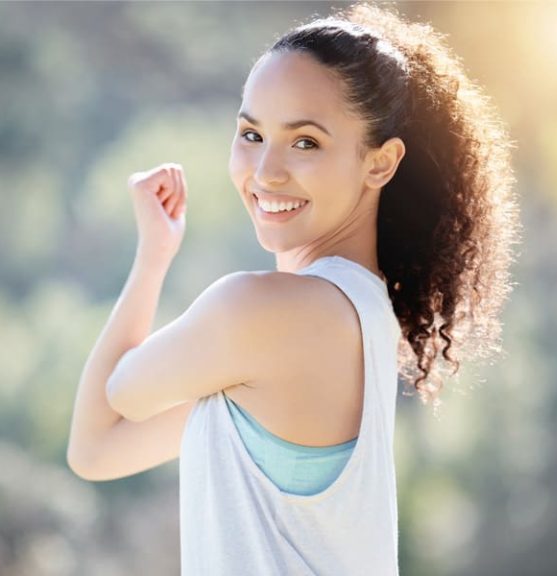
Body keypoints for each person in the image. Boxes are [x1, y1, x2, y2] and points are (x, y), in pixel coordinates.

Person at [67, 2, 519, 574]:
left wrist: (152, 262)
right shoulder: (352, 318)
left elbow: (120, 393)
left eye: (305, 142)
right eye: (252, 133)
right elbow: (95, 451)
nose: (265, 172)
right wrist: (154, 255)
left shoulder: (266, 314)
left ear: (380, 164)